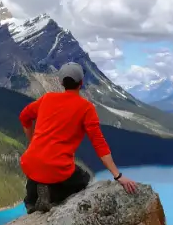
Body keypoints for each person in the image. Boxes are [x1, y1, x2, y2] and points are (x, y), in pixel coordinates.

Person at [18, 62, 138, 213]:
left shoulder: (47, 98)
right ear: (81, 83)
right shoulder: (86, 108)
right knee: (83, 178)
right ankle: (52, 195)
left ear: (61, 82)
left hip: (30, 160)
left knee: (39, 168)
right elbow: (99, 144)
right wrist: (117, 175)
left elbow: (24, 117)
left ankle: (32, 199)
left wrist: (33, 142)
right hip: (56, 167)